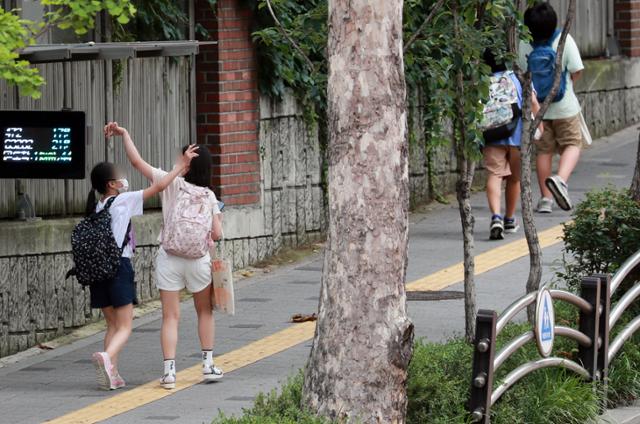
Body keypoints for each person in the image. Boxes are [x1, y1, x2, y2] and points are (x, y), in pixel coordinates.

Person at [105, 122, 224, 390]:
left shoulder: (171, 182)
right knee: (204, 311)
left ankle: (169, 372)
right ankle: (207, 364)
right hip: (198, 261)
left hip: (169, 259)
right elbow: (216, 233)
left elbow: (136, 162)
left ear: (185, 163)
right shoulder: (210, 195)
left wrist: (125, 133)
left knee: (170, 316)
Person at [87, 139, 198, 390]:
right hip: (119, 267)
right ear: (112, 184)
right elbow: (159, 186)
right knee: (126, 325)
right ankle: (106, 357)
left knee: (112, 325)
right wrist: (180, 167)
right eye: (119, 177)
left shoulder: (96, 206)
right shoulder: (122, 200)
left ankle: (112, 375)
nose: (124, 179)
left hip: (97, 273)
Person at [519, 1, 585, 213]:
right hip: (565, 107)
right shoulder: (563, 40)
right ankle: (560, 180)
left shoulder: (523, 44)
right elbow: (576, 70)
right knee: (573, 143)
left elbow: (520, 74)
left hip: (538, 110)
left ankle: (545, 200)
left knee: (544, 151)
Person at [481, 50, 542, 240]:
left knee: (494, 174)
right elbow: (533, 102)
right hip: (518, 136)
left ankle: (496, 217)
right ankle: (509, 218)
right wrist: (540, 125)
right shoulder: (518, 77)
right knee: (515, 179)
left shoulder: (481, 82)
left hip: (492, 135)